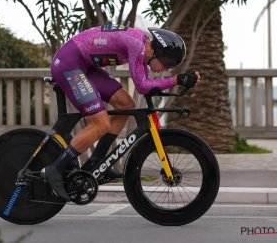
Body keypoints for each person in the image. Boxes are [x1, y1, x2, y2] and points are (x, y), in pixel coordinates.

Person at [41, 24, 201, 201]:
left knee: (126, 104)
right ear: (158, 53)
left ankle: (97, 160)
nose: (167, 69)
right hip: (68, 64)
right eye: (168, 64)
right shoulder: (137, 46)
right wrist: (177, 79)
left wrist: (181, 80)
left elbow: (145, 84)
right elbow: (142, 87)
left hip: (83, 65)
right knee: (100, 124)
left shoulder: (141, 47)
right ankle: (54, 169)